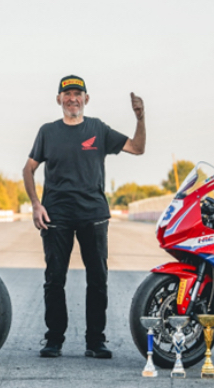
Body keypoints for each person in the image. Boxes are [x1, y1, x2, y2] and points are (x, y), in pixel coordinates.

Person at [22, 75, 145, 359]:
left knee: (98, 279)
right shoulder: (47, 132)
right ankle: (54, 339)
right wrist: (36, 204)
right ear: (59, 99)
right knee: (54, 280)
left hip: (93, 215)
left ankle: (95, 341)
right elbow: (28, 169)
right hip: (56, 216)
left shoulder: (98, 129)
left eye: (77, 93)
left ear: (86, 99)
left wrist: (140, 119)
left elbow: (137, 148)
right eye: (67, 94)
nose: (72, 98)